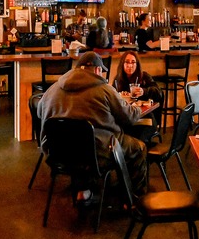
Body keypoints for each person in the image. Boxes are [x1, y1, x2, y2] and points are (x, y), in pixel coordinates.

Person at [37, 51, 147, 201]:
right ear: (97, 70)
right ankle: (132, 200)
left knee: (79, 143)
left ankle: (83, 191)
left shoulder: (53, 89)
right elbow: (129, 117)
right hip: (96, 153)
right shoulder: (105, 89)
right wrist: (137, 108)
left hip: (58, 154)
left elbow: (39, 112)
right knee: (139, 148)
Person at [112, 51, 164, 142]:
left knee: (135, 140)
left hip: (146, 119)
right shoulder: (118, 80)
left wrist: (144, 91)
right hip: (128, 119)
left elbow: (159, 93)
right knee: (117, 136)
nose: (130, 65)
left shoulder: (144, 77)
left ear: (137, 64)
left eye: (133, 62)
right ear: (122, 64)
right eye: (127, 62)